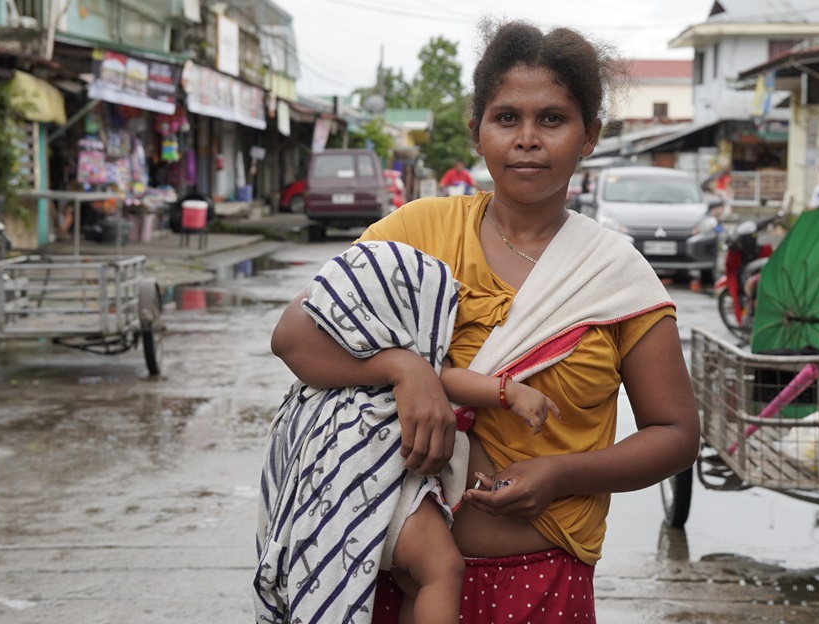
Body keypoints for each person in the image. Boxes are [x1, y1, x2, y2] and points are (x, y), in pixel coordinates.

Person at [266, 18, 700, 623]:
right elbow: (294, 336)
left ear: (589, 135)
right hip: (388, 582)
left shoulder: (616, 275)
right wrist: (405, 370)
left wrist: (561, 474)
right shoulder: (418, 231)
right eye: (506, 118)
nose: (527, 138)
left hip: (544, 582)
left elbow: (676, 434)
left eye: (552, 118)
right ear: (477, 133)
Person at [254, 241, 559, 624]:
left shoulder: (328, 373)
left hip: (327, 511)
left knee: (415, 580)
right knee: (441, 571)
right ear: (402, 313)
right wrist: (509, 392)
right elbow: (450, 380)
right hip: (376, 496)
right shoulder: (410, 363)